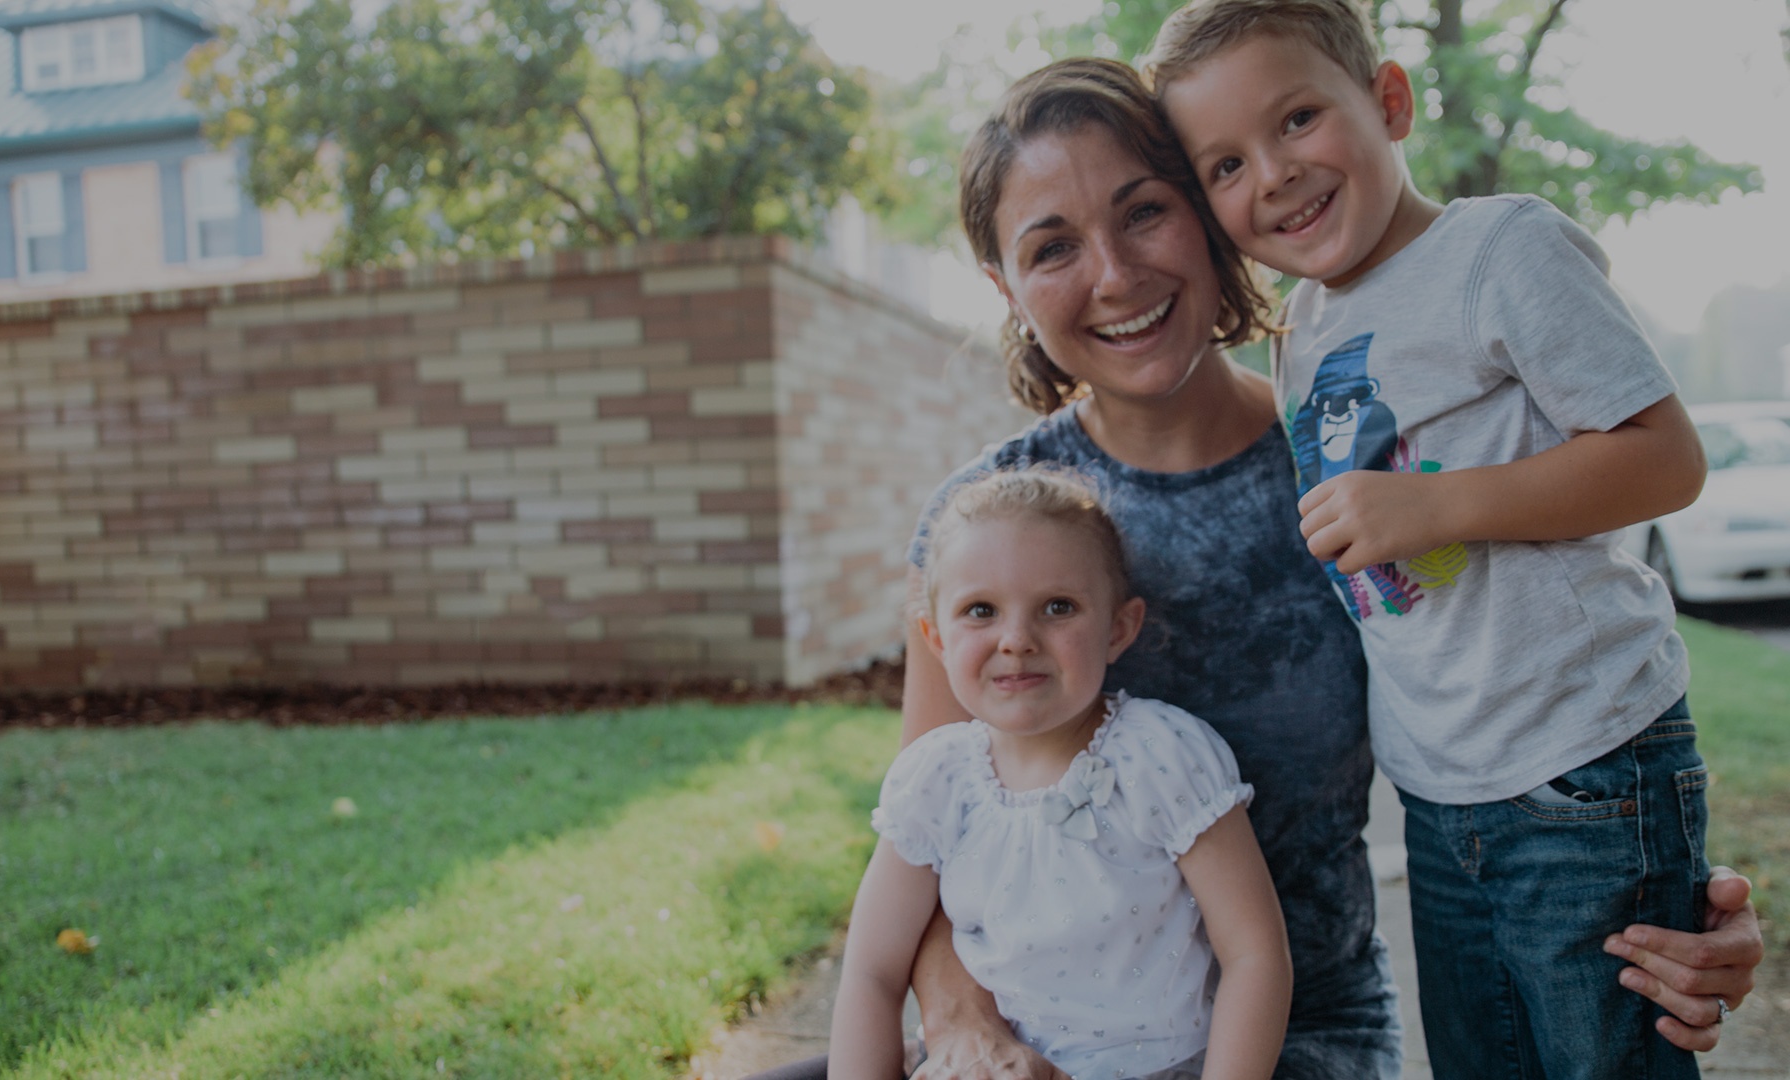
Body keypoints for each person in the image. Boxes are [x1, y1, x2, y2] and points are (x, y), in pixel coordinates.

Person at [741, 53, 1759, 1080]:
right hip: (1039, 1039)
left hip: (1301, 1030)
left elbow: (1514, 680)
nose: (1115, 274)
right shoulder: (989, 528)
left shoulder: (1365, 471)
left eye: (1145, 212)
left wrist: (1657, 900)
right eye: (1053, 248)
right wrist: (964, 1026)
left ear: (1208, 213)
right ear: (1005, 287)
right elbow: (929, 830)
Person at [1147, 2, 1755, 1077]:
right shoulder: (1303, 324)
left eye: (1296, 120)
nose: (1274, 175)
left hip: (1582, 761)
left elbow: (1666, 458)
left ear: (1389, 102)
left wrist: (1438, 507)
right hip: (1439, 794)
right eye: (1227, 164)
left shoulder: (1499, 248)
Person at [828, 467, 1292, 1080]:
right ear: (935, 638)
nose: (1016, 639)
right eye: (981, 610)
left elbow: (1256, 954)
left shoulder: (1161, 755)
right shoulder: (936, 779)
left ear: (1118, 629)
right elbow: (871, 972)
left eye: (1057, 607)